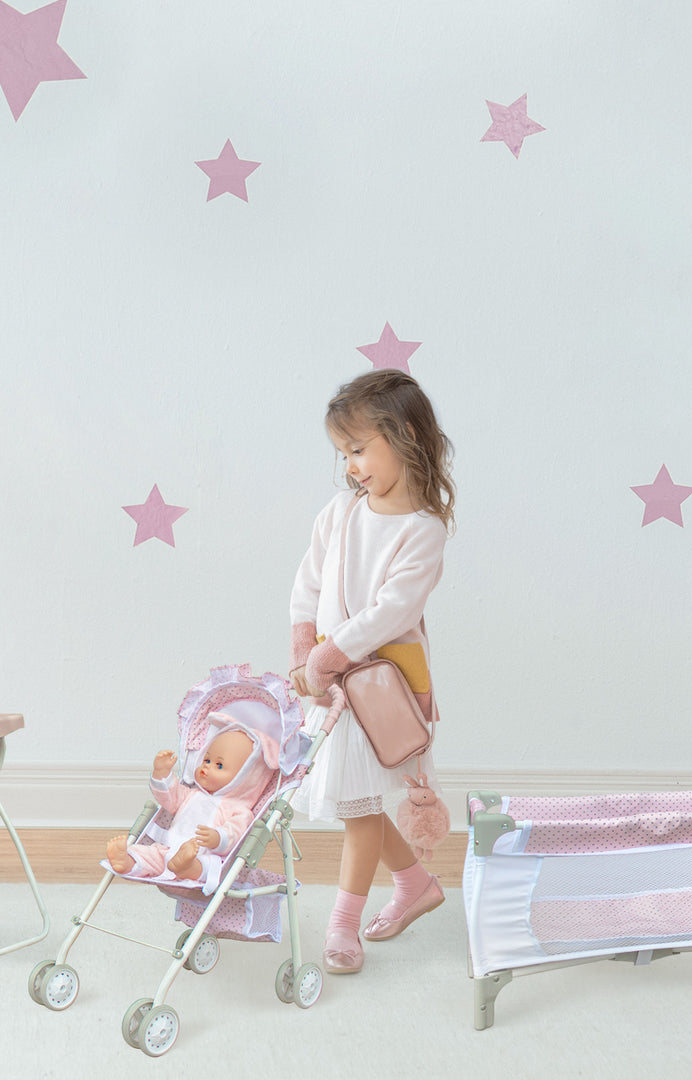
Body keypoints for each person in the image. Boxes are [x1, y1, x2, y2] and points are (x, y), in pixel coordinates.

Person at [288, 368, 455, 975]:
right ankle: (414, 885)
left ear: (406, 436)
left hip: (380, 685)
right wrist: (303, 644)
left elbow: (394, 611)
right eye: (344, 453)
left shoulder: (423, 530)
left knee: (358, 810)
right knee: (357, 802)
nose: (351, 466)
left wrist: (328, 656)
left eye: (359, 450)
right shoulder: (340, 512)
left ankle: (342, 926)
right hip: (330, 682)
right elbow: (307, 583)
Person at [106, 713, 278, 891]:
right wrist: (162, 774)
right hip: (167, 849)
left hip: (205, 856)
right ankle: (128, 861)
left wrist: (218, 837)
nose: (206, 767)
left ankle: (187, 868)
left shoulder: (239, 810)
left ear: (246, 778)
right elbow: (170, 797)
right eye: (206, 760)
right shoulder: (191, 795)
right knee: (147, 853)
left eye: (219, 765)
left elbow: (236, 833)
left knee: (210, 866)